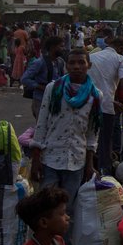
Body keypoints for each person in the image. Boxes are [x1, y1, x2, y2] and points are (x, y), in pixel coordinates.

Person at [29, 47, 100, 211]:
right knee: (46, 207)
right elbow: (42, 124)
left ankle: (62, 238)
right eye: (72, 63)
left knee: (67, 209)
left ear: (89, 65)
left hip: (77, 160)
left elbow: (92, 134)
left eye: (81, 62)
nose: (76, 66)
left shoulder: (96, 96)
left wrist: (89, 164)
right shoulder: (53, 89)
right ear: (66, 66)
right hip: (50, 157)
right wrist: (36, 158)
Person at [87, 33, 123, 175]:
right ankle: (104, 172)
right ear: (120, 48)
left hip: (87, 103)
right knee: (105, 141)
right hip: (107, 105)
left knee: (86, 138)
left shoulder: (92, 56)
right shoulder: (120, 59)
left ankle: (87, 169)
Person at [21, 35, 65, 118]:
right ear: (52, 47)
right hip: (40, 100)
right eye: (61, 46)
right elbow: (24, 79)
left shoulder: (60, 62)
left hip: (55, 100)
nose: (63, 48)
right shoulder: (40, 62)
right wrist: (40, 87)